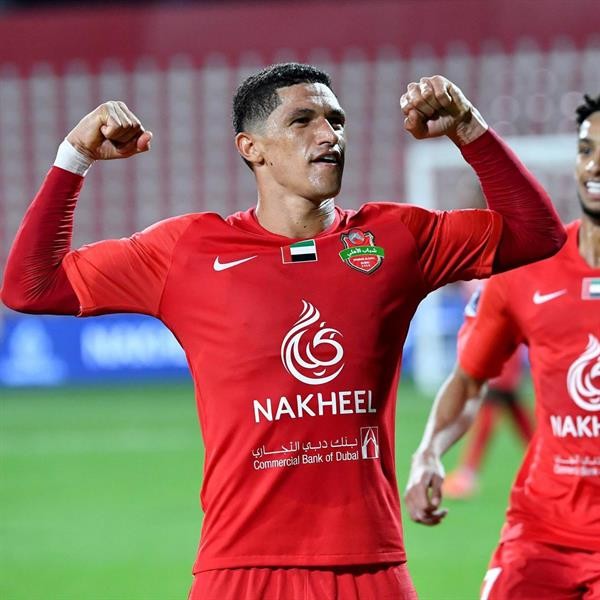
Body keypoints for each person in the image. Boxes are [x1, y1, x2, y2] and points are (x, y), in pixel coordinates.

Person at [1, 63, 565, 600]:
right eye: (302, 121)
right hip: (239, 571)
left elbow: (536, 234)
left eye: (336, 120)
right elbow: (30, 285)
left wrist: (469, 128)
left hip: (370, 567)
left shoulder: (395, 238)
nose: (329, 134)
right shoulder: (188, 252)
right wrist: (74, 157)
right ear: (252, 148)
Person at [404, 93, 600, 599]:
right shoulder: (529, 271)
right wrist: (428, 453)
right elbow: (470, 379)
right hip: (541, 532)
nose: (594, 165)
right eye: (586, 150)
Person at [443, 346, 533, 499]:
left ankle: (466, 475)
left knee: (488, 419)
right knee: (520, 420)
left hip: (502, 361)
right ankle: (548, 464)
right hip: (505, 361)